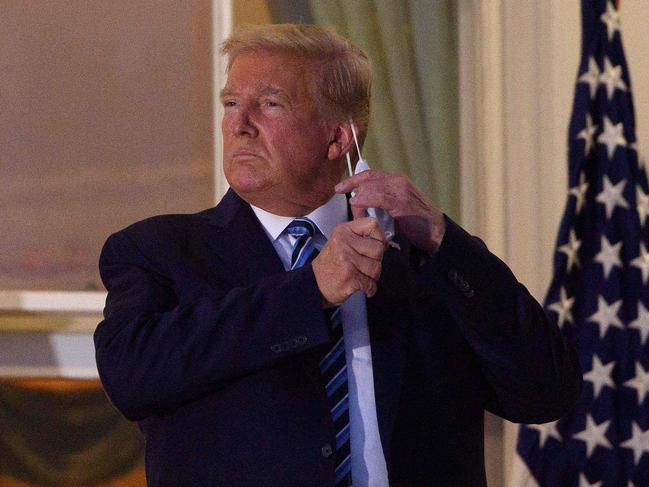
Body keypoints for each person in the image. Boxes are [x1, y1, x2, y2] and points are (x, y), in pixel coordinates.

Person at [94, 24, 581, 487]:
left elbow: (546, 390)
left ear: (339, 137)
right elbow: (132, 377)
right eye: (230, 102)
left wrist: (441, 238)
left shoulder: (423, 260)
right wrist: (312, 289)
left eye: (269, 104)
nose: (239, 124)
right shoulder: (158, 251)